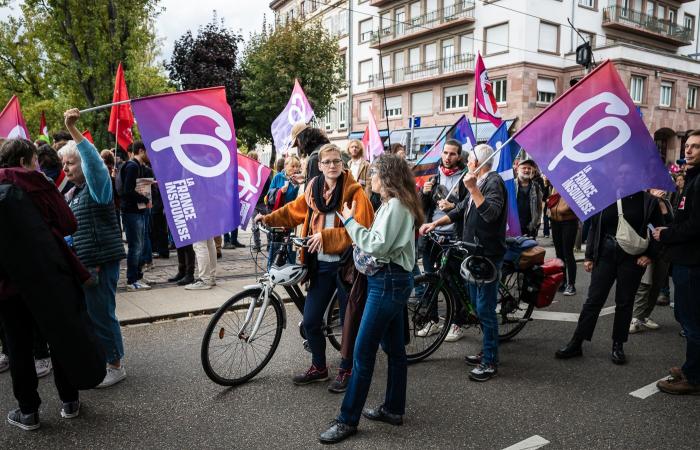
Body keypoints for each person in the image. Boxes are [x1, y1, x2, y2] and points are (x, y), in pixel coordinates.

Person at [319, 153, 423, 444]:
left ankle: (346, 420)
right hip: (390, 281)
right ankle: (392, 408)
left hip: (387, 282)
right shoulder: (394, 204)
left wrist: (351, 223)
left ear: (387, 178)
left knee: (362, 355)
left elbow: (377, 246)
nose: (371, 178)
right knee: (394, 350)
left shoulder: (397, 207)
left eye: (375, 174)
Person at [255, 144, 373, 389]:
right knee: (310, 322)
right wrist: (267, 218)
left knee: (350, 323)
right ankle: (319, 367)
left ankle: (347, 370)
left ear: (342, 164)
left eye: (336, 162)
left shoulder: (354, 192)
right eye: (327, 162)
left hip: (346, 267)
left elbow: (362, 231)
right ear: (319, 166)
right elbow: (294, 212)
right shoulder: (313, 189)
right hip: (319, 266)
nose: (332, 166)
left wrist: (327, 237)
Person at [0, 139, 92, 429]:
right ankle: (70, 402)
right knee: (59, 336)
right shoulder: (40, 185)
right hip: (49, 278)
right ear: (27, 160)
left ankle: (28, 412)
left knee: (18, 347)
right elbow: (69, 224)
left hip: (7, 285)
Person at [420, 144, 507, 381]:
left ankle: (490, 362)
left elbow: (491, 214)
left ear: (479, 163)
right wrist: (435, 224)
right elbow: (460, 210)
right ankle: (486, 351)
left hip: (487, 254)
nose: (467, 163)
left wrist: (472, 188)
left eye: (470, 160)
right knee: (477, 307)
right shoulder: (478, 182)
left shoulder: (493, 182)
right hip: (472, 252)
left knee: (485, 311)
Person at [59, 108, 128, 388]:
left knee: (102, 314)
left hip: (100, 261)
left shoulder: (98, 186)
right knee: (93, 314)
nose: (65, 169)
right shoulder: (73, 192)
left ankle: (115, 365)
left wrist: (73, 130)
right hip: (86, 263)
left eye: (70, 164)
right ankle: (106, 358)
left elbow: (94, 163)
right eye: (63, 164)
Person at [556, 188, 663, 365]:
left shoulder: (649, 201)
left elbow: (658, 230)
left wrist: (650, 254)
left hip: (633, 258)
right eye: (621, 173)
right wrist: (589, 255)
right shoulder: (605, 196)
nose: (623, 176)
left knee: (625, 302)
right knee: (593, 300)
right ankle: (577, 342)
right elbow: (595, 227)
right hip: (605, 254)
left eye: (628, 172)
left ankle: (618, 346)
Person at [653, 130, 700, 395]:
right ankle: (692, 367)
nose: (689, 150)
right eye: (688, 145)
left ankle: (692, 377)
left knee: (692, 321)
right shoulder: (691, 180)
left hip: (692, 263)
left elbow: (695, 225)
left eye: (695, 147)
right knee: (687, 317)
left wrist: (667, 233)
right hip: (685, 259)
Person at [416, 139, 468, 342]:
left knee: (454, 282)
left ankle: (458, 322)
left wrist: (452, 205)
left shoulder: (465, 178)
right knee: (430, 279)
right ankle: (433, 321)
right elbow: (422, 209)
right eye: (445, 153)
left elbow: (467, 206)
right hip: (431, 237)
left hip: (453, 237)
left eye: (452, 154)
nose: (448, 157)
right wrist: (424, 193)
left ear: (459, 156)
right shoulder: (434, 176)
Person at [629, 189, 673, 334]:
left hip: (664, 249)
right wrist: (653, 201)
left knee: (657, 284)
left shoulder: (666, 202)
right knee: (645, 284)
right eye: (655, 187)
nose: (660, 190)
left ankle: (645, 316)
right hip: (648, 247)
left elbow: (671, 223)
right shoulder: (645, 200)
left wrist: (660, 202)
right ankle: (635, 318)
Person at [120, 141, 152, 291]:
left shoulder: (134, 166)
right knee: (136, 247)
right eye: (147, 152)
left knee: (138, 245)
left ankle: (137, 276)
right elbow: (128, 191)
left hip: (135, 211)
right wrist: (145, 199)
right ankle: (132, 280)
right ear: (141, 151)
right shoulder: (133, 166)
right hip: (132, 212)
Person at [266, 156, 301, 268]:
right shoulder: (278, 177)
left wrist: (297, 185)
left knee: (290, 243)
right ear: (285, 166)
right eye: (292, 166)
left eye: (297, 166)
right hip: (279, 214)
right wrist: (280, 191)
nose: (295, 168)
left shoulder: (299, 179)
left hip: (292, 215)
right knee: (276, 242)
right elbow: (268, 196)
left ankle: (289, 267)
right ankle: (272, 268)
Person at [548, 188, 579, 296]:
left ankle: (571, 284)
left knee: (568, 253)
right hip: (555, 221)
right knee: (559, 253)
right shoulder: (556, 185)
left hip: (569, 222)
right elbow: (552, 201)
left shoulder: (573, 185)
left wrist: (566, 207)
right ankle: (562, 281)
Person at [515, 159, 543, 238]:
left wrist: (536, 224)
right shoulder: (511, 185)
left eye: (529, 168)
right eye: (524, 168)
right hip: (514, 227)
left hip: (530, 229)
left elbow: (539, 207)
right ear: (517, 170)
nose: (527, 170)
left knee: (530, 249)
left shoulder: (536, 187)